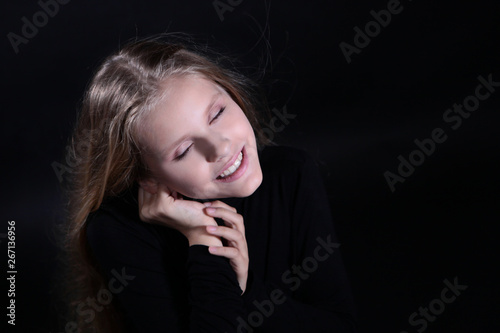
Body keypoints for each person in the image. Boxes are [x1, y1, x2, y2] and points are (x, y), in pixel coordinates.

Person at [62, 36, 357, 332]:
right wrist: (203, 238)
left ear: (232, 94)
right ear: (148, 179)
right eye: (184, 150)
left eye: (217, 113)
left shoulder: (291, 173)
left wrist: (246, 291)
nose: (219, 148)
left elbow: (341, 326)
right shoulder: (116, 229)